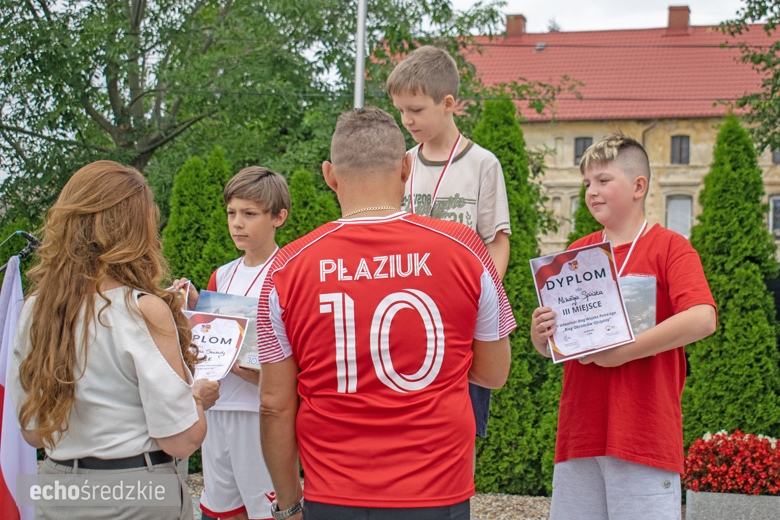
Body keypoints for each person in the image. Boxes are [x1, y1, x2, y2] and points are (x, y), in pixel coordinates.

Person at [257, 106, 515, 520]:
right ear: (406, 168)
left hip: (334, 491)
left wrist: (289, 505)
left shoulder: (287, 267)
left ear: (329, 175)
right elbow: (494, 373)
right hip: (437, 491)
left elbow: (274, 404)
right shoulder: (467, 249)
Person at [8, 160, 220, 520]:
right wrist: (197, 398)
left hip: (57, 486)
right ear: (135, 231)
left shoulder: (34, 310)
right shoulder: (143, 310)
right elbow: (181, 439)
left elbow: (33, 434)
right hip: (138, 491)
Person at [530, 132, 717, 520]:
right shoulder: (575, 255)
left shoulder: (670, 247)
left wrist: (624, 353)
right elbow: (564, 344)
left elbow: (703, 317)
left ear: (638, 186)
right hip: (580, 433)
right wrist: (542, 337)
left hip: (644, 434)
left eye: (603, 180)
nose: (591, 191)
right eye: (586, 184)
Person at [386, 45, 511, 452]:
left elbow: (496, 242)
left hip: (459, 327)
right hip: (406, 323)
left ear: (449, 103)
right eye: (400, 111)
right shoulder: (401, 163)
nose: (406, 120)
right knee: (404, 438)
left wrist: (478, 306)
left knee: (459, 437)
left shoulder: (483, 164)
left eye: (416, 110)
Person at [174, 166, 290, 520]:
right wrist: (194, 307)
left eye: (249, 214)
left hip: (259, 413)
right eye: (231, 213)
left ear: (278, 217)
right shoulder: (222, 274)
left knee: (266, 509)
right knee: (221, 509)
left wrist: (257, 374)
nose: (237, 223)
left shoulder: (289, 271)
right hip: (218, 406)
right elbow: (211, 337)